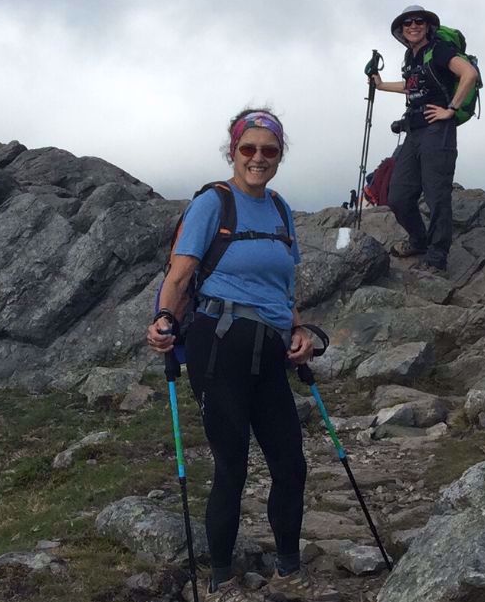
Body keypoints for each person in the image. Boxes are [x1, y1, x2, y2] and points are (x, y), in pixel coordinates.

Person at [146, 108, 339, 602]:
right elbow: (180, 274)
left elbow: (285, 284)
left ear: (279, 156)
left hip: (272, 347)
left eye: (268, 151)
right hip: (221, 343)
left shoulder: (279, 208)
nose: (258, 158)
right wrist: (165, 320)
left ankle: (290, 568)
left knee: (290, 462)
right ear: (232, 152)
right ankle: (221, 577)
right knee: (232, 463)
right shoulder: (214, 203)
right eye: (247, 149)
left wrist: (297, 332)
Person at [370, 5, 479, 274]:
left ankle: (437, 257)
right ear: (402, 31)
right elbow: (412, 87)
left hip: (437, 130)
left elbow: (469, 74)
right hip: (415, 130)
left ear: (428, 26)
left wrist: (451, 109)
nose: (413, 26)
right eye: (407, 24)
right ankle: (419, 240)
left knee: (436, 194)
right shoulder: (412, 56)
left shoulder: (440, 50)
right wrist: (382, 86)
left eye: (419, 22)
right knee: (398, 196)